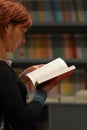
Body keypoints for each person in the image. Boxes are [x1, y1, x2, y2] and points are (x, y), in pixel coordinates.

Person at [0, 0, 59, 130]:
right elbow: (23, 121)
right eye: (22, 31)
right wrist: (42, 93)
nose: (23, 40)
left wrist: (22, 78)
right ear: (7, 27)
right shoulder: (2, 70)